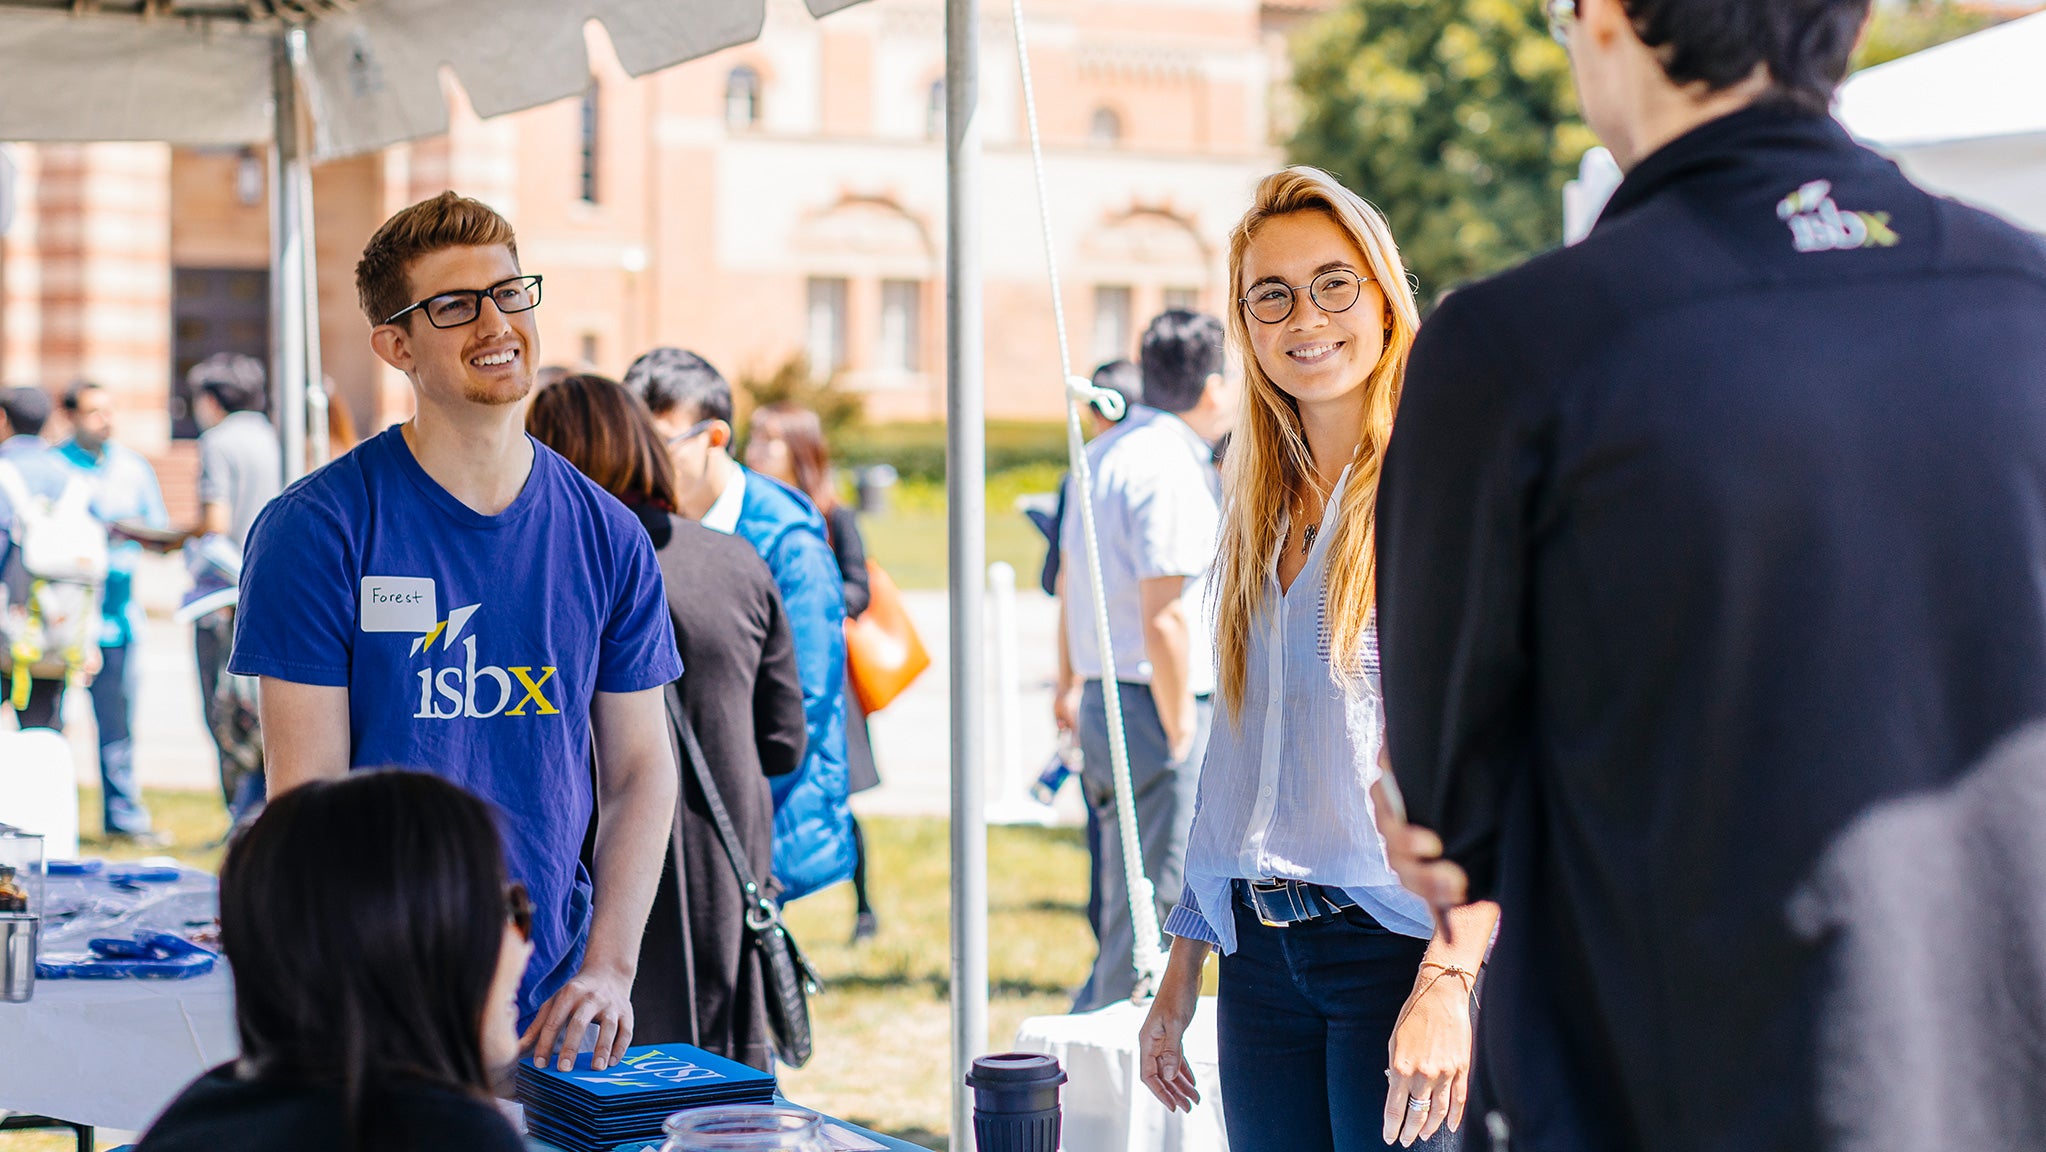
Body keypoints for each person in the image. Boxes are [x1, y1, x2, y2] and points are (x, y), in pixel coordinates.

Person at [1373, 1, 2046, 1149]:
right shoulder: (2023, 292)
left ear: (1610, 19)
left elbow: (1450, 811)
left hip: (1680, 1080)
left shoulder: (1515, 347)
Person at [229, 192, 681, 1073]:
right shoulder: (317, 529)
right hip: (376, 1004)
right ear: (396, 345)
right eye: (453, 305)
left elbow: (638, 769)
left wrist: (610, 968)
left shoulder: (607, 534)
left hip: (556, 1004)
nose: (495, 322)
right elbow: (306, 799)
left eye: (510, 293)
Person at [1136, 168, 1497, 1152]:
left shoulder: (1442, 482)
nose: (1308, 317)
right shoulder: (1255, 496)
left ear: (1384, 296)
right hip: (1261, 959)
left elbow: (1504, 754)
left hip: (1398, 951)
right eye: (1273, 294)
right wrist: (1182, 970)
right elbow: (1239, 753)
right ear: (1245, 324)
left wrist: (1449, 982)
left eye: (1336, 283)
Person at [527, 372, 807, 1069]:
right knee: (718, 1105)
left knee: (604, 1099)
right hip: (723, 870)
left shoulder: (551, 571)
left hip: (599, 877)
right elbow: (783, 741)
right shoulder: (737, 562)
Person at [136, 770, 531, 1152]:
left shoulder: (203, 1110)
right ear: (416, 946)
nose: (524, 945)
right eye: (510, 909)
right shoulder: (450, 1135)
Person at [625, 348, 854, 904]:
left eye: (661, 444)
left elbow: (805, 702)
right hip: (678, 820)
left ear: (715, 438)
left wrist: (722, 817)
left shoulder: (786, 541)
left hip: (763, 827)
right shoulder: (643, 525)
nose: (642, 464)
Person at [1055, 310, 1235, 1013]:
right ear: (1214, 386)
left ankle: (1099, 1033)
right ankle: (1110, 1057)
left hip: (1109, 691)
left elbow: (1074, 580)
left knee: (1122, 898)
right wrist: (1182, 727)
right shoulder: (1170, 465)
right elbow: (1164, 612)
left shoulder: (1107, 452)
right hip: (1155, 700)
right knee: (1155, 907)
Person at [743, 400, 882, 942]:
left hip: (821, 675)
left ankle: (864, 907)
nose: (757, 450)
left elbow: (858, 588)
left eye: (770, 440)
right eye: (755, 438)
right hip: (764, 672)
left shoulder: (830, 513)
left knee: (831, 794)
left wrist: (809, 603)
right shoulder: (740, 514)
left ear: (798, 449)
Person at [55, 380, 169, 844]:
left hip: (118, 623)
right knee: (50, 728)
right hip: (61, 627)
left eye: (109, 410)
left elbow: (159, 531)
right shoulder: (53, 468)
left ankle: (123, 820)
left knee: (118, 728)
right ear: (70, 417)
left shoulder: (133, 468)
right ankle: (50, 817)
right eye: (93, 411)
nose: (106, 419)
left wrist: (129, 535)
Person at [188, 352, 282, 817]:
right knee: (264, 718)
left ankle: (241, 823)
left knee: (226, 719)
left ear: (211, 399)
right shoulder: (274, 436)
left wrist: (168, 537)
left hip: (224, 598)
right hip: (272, 594)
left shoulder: (218, 441)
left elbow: (214, 524)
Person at [0, 385, 82, 731]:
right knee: (43, 729)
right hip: (53, 625)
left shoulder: (4, 472)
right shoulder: (71, 478)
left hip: (6, 620)